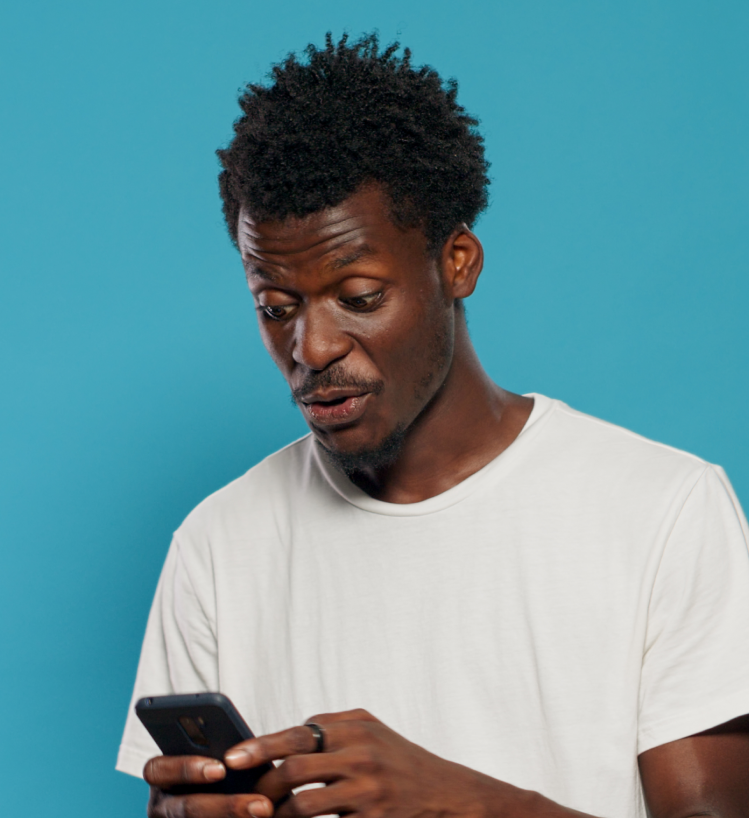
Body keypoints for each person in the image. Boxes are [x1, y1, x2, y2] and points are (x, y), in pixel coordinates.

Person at [117, 33, 749, 818]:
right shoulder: (216, 544)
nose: (311, 348)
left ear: (456, 262)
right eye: (275, 307)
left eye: (358, 296)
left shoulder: (664, 510)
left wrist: (466, 804)